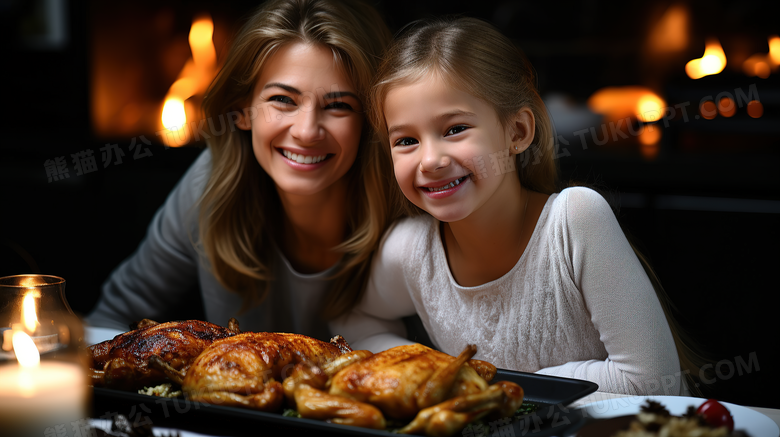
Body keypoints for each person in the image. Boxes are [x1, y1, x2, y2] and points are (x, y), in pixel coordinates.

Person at [331, 17, 705, 396]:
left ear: (518, 133)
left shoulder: (575, 219)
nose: (430, 160)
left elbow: (653, 381)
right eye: (406, 140)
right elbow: (354, 318)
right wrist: (424, 369)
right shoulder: (410, 251)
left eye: (455, 129)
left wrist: (496, 387)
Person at [85, 0, 398, 340]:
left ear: (370, 121)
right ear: (242, 110)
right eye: (283, 100)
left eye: (339, 106)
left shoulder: (409, 204)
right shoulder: (210, 184)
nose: (307, 131)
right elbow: (110, 320)